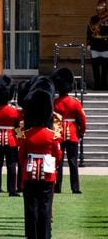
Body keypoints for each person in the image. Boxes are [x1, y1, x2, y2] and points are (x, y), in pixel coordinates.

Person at [18, 88, 60, 239]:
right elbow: (58, 155)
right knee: (45, 208)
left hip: (29, 174)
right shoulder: (51, 135)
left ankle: (32, 236)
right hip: (47, 174)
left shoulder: (27, 134)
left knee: (30, 207)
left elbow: (21, 155)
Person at [52, 67, 86, 195]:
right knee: (73, 162)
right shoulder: (75, 102)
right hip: (72, 134)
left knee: (58, 162)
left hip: (58, 134)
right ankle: (75, 188)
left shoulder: (54, 102)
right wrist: (81, 132)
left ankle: (57, 187)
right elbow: (82, 119)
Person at [0, 75, 20, 197]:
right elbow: (17, 127)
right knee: (11, 166)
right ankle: (12, 190)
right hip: (11, 140)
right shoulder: (14, 111)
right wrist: (20, 140)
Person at [89, 0, 108, 89]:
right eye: (98, 8)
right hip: (95, 45)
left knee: (105, 68)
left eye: (101, 8)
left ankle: (104, 85)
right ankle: (97, 85)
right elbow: (89, 31)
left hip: (105, 45)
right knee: (95, 68)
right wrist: (88, 43)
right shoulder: (93, 19)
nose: (99, 10)